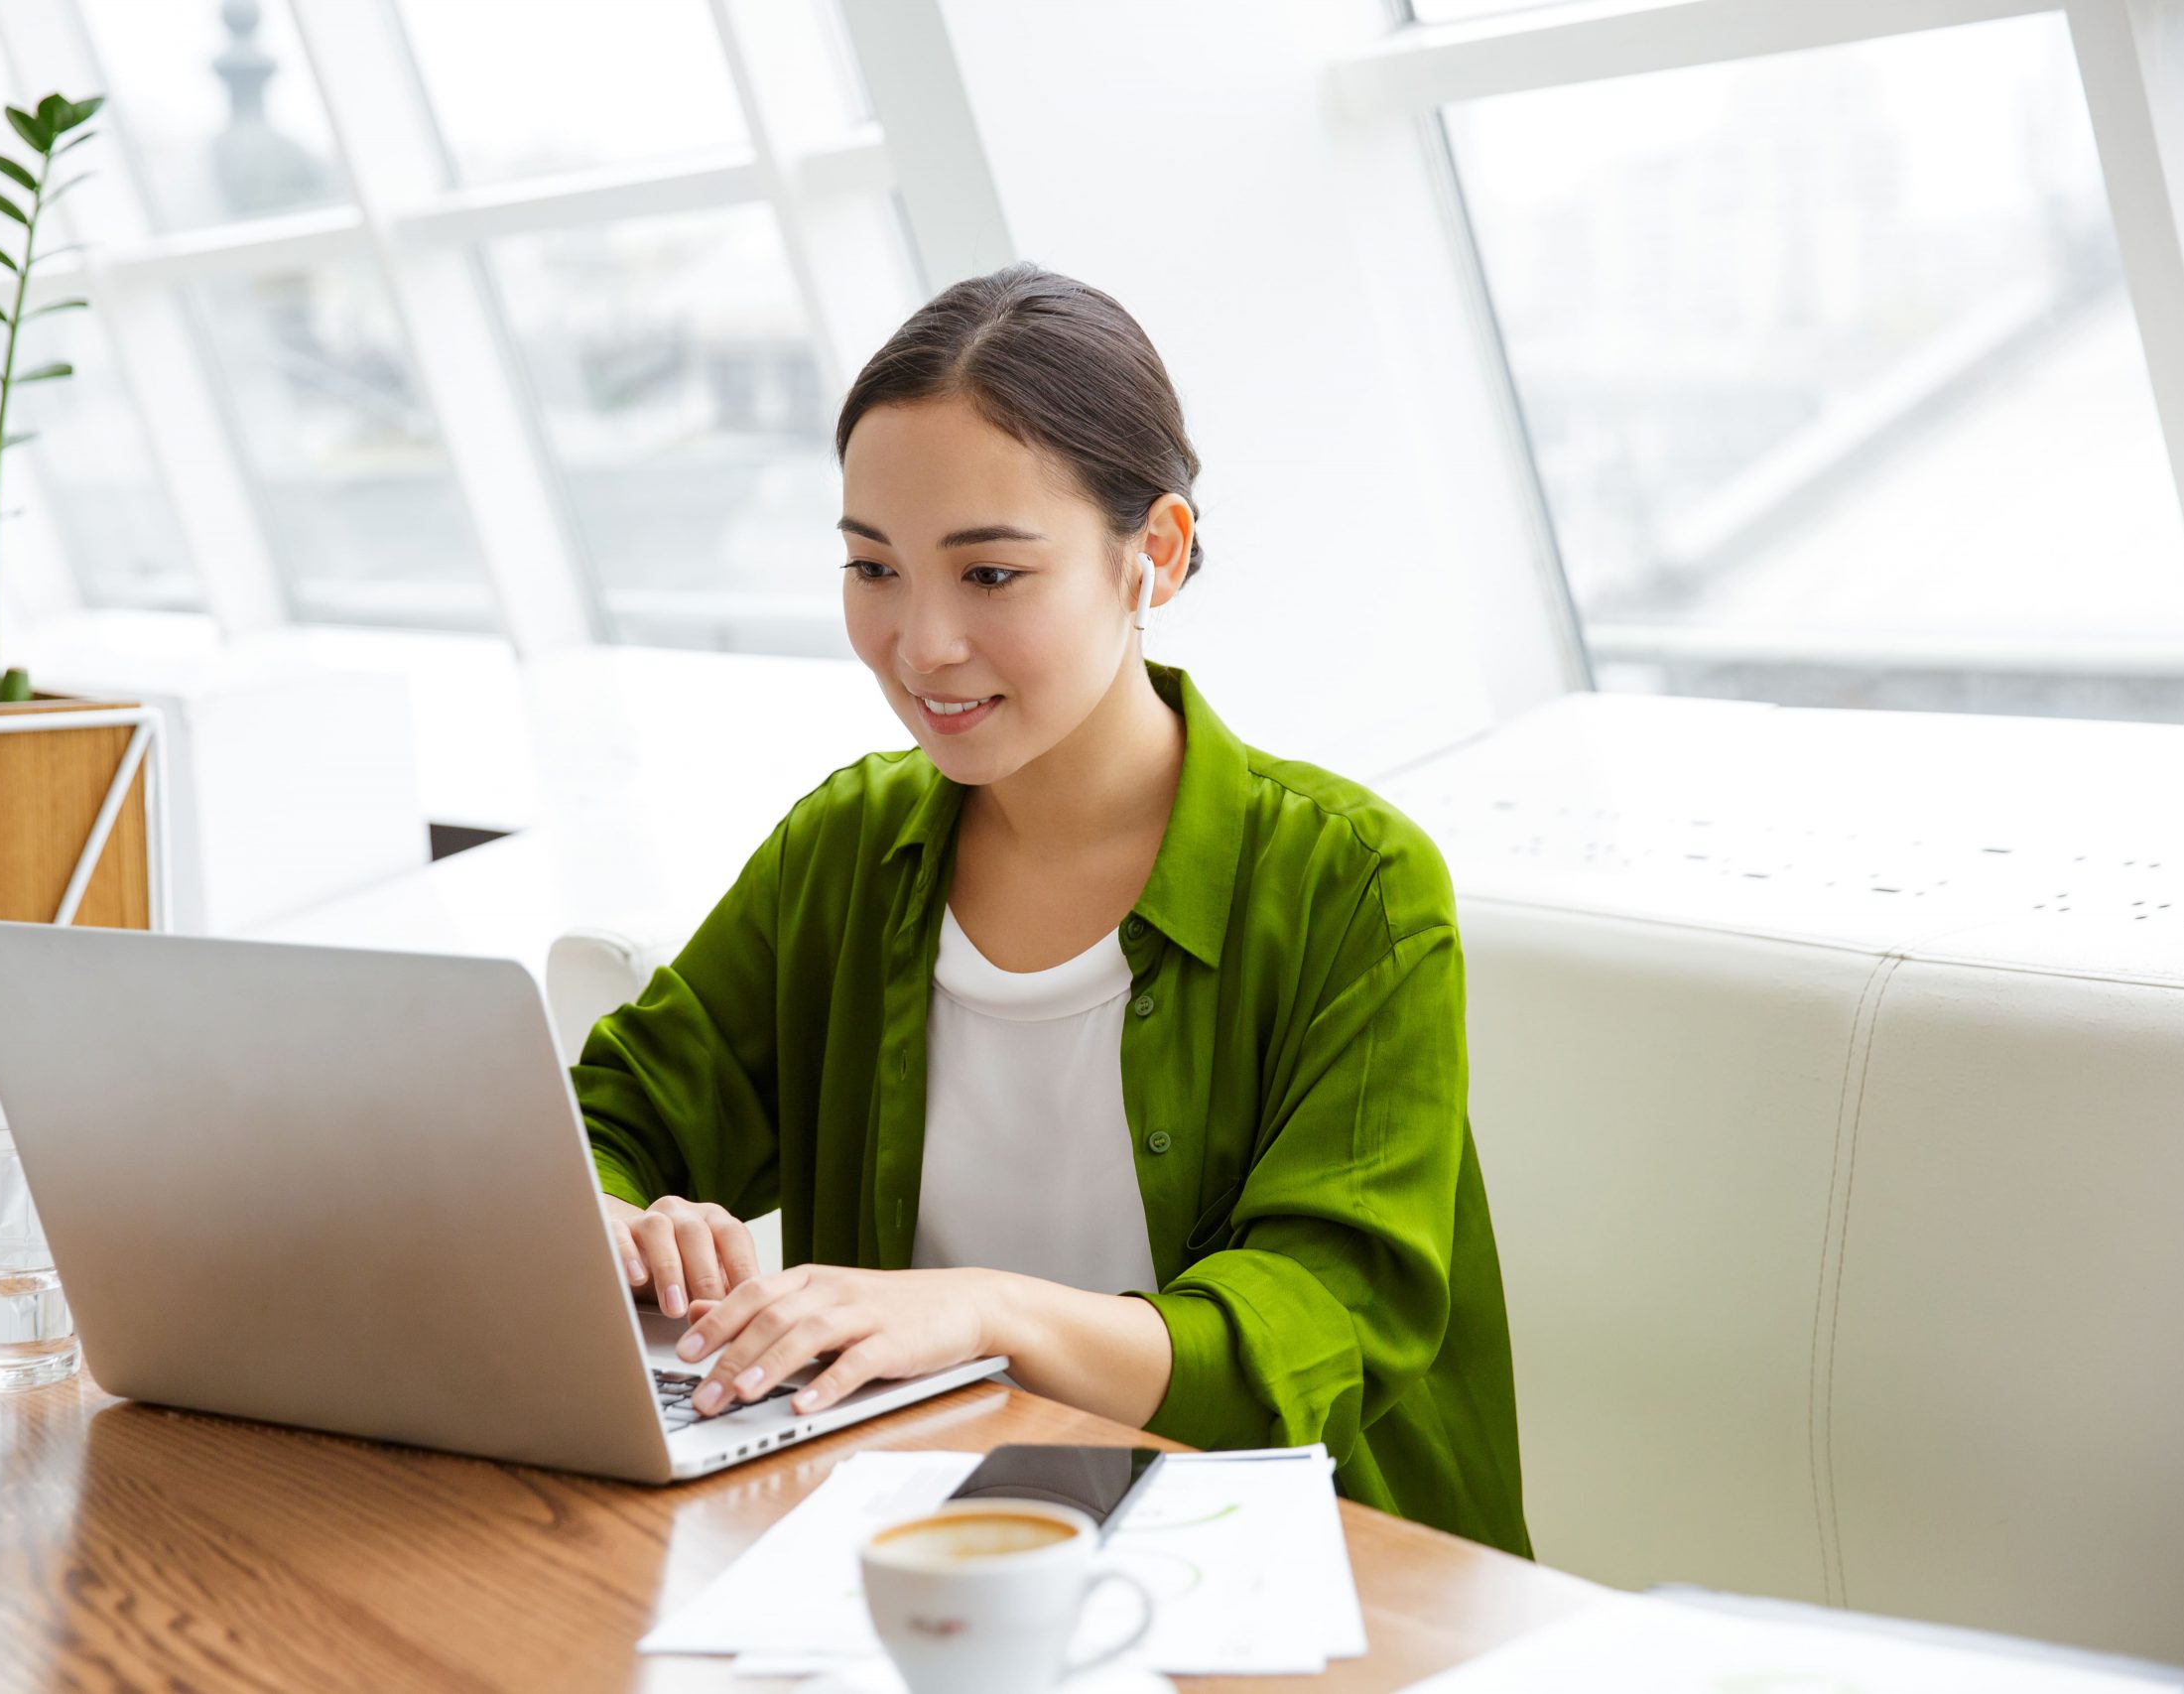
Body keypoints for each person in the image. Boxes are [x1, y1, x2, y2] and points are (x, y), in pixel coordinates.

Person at [572, 262, 1530, 1554]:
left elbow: (1322, 1323)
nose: (919, 646)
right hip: (920, 1550)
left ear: (1158, 557)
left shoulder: (1353, 885)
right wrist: (634, 1229)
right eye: (872, 567)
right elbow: (602, 1121)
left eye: (990, 577)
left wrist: (985, 1312)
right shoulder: (846, 849)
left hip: (1299, 1567)